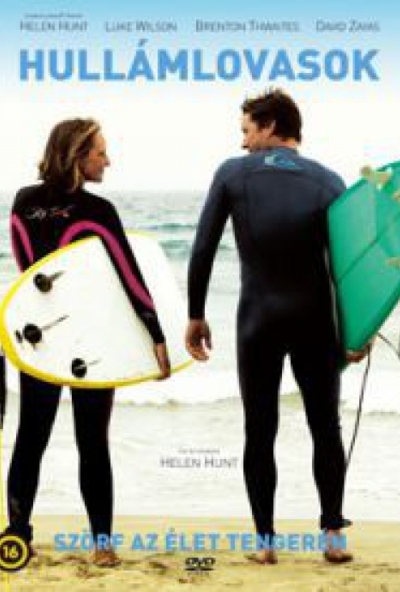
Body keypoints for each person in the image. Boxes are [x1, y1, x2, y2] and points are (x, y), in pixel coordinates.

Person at [186, 89, 364, 564]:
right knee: (325, 426)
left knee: (259, 430)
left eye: (246, 130)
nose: (243, 142)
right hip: (315, 322)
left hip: (257, 321)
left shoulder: (232, 173)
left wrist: (196, 314)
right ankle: (332, 535)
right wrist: (357, 328)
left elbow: (202, 248)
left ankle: (265, 544)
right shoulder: (329, 181)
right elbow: (348, 268)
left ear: (269, 126)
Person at [5, 118, 171, 567]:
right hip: (93, 341)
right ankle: (101, 543)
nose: (107, 160)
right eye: (100, 152)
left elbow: (28, 275)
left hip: (40, 338)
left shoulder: (23, 202)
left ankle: (16, 536)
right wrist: (156, 334)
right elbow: (129, 275)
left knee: (30, 438)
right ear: (78, 156)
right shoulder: (97, 210)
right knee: (92, 441)